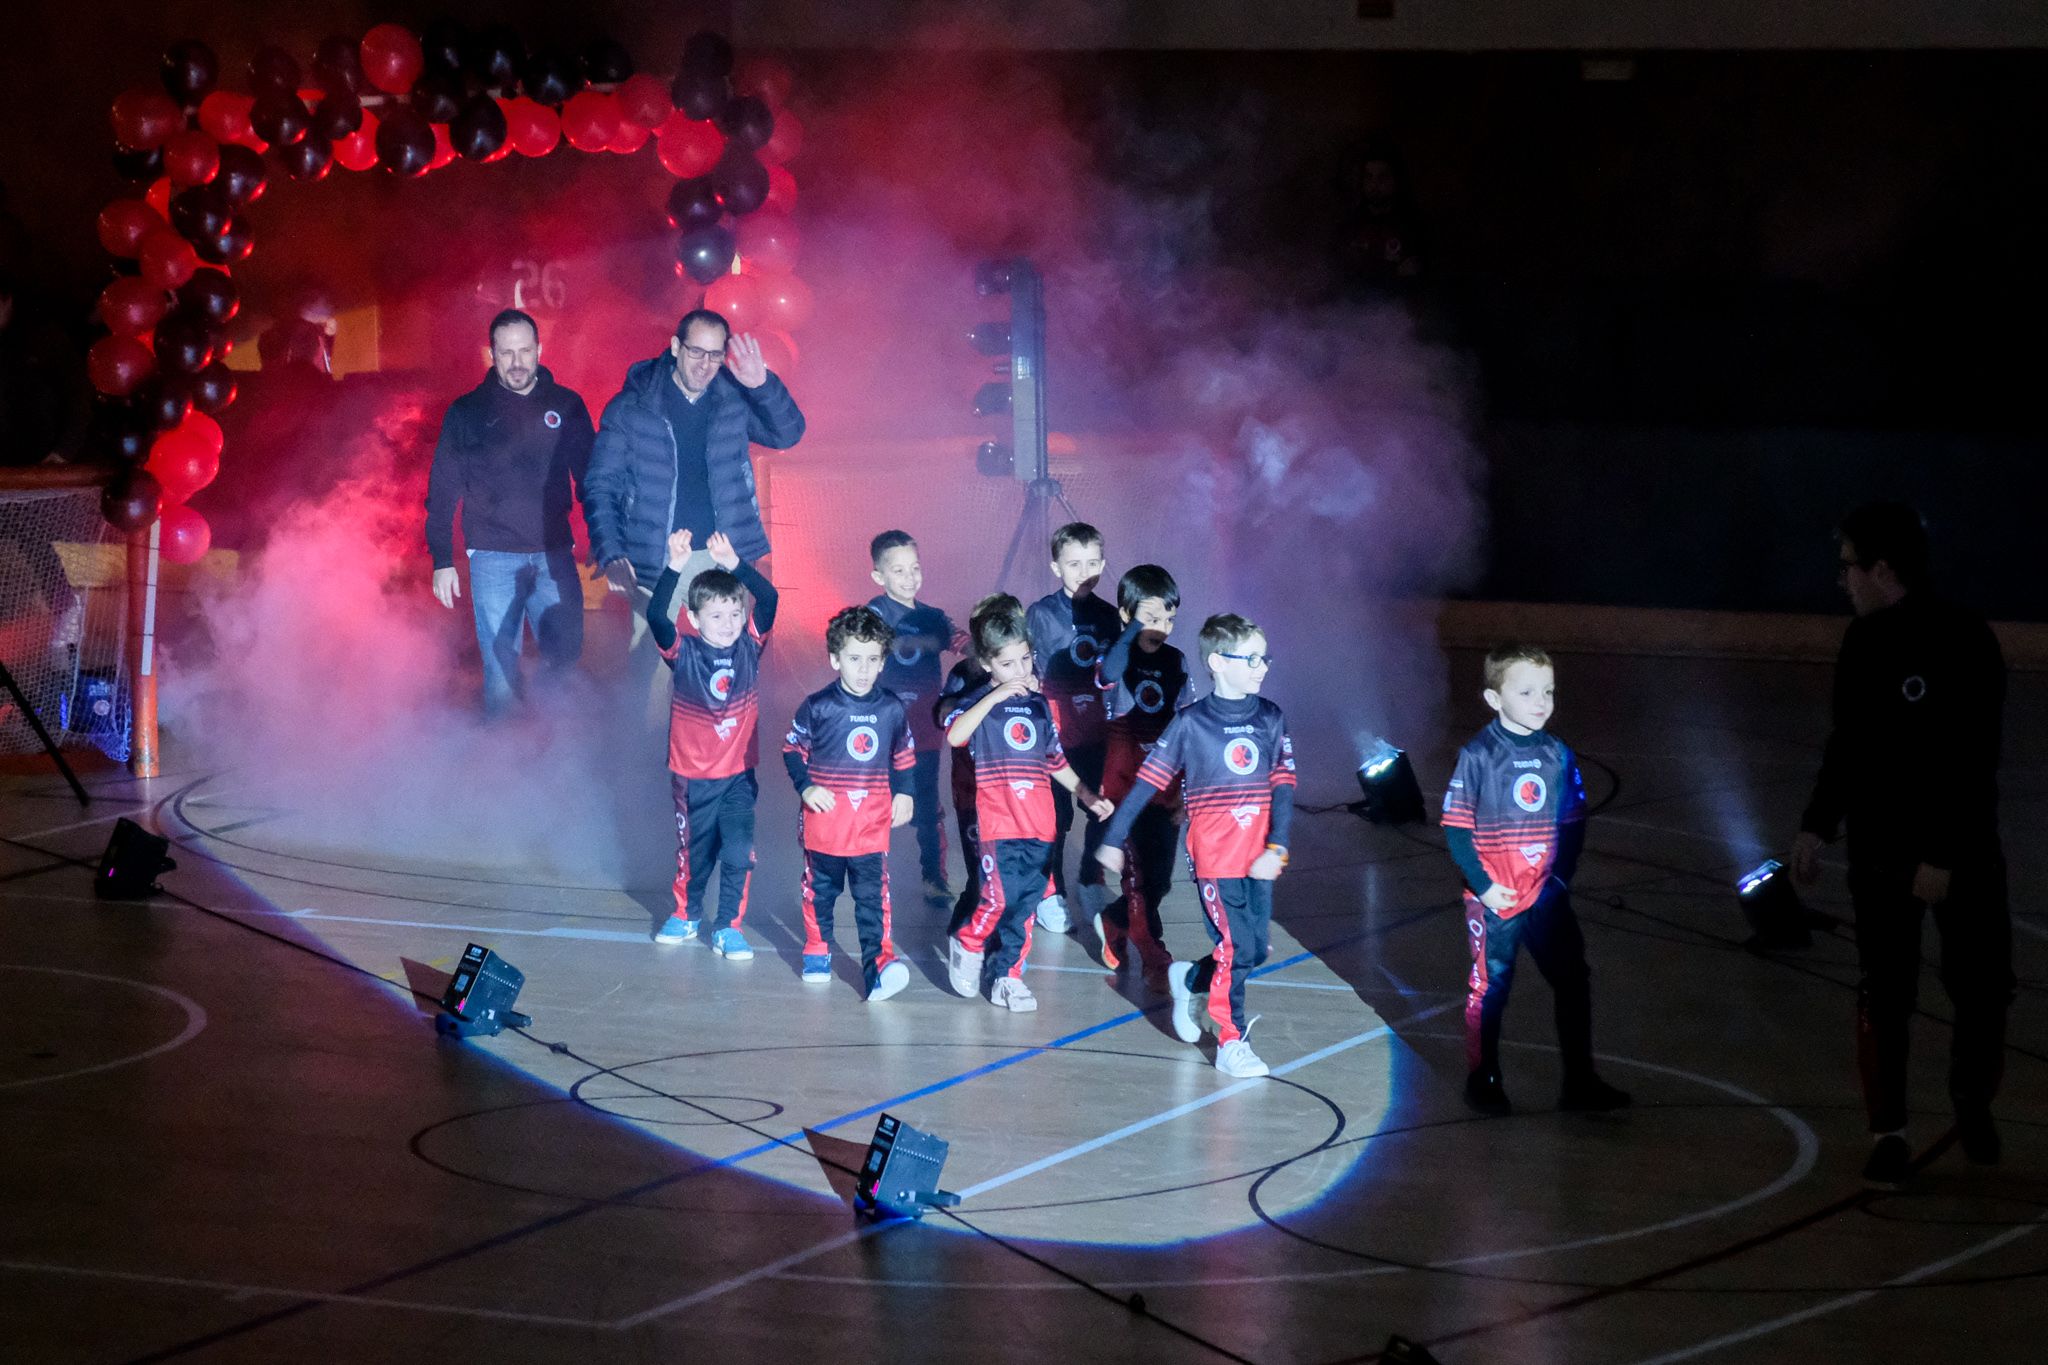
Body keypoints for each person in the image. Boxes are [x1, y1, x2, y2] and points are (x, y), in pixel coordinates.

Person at [1792, 501, 2011, 1188]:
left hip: (1960, 853)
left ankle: (1971, 1098)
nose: (1842, 581)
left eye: (1849, 567)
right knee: (1883, 991)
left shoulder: (1965, 639)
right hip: (1881, 853)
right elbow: (1848, 744)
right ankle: (1888, 1132)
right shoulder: (1862, 643)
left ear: (1883, 570)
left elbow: (1973, 758)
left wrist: (1943, 855)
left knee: (1982, 987)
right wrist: (1816, 824)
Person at [1097, 613, 1294, 1079]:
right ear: (1217, 663)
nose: (1262, 666)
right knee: (1235, 946)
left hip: (1259, 858)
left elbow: (1284, 786)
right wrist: (1113, 839)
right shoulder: (1191, 723)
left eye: (1264, 657)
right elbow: (1147, 784)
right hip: (1216, 859)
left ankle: (1189, 978)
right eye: (1251, 658)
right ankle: (1231, 1040)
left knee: (1255, 950)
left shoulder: (1270, 717)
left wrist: (1278, 847)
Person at [1441, 644, 1629, 1116]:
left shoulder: (1557, 753)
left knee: (1573, 979)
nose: (1541, 702)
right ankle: (1483, 1080)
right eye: (1526, 693)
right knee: (1492, 988)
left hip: (1545, 896)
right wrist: (1484, 887)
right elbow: (1457, 829)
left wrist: (1559, 880)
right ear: (1494, 699)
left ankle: (1580, 1082)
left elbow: (1573, 822)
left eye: (1548, 691)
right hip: (1497, 898)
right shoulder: (1479, 756)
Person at [585, 309, 804, 636]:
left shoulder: (734, 400)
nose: (705, 364)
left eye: (715, 355)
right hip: (657, 560)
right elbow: (601, 485)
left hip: (725, 557)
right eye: (697, 351)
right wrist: (611, 551)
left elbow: (787, 434)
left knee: (729, 659)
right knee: (651, 662)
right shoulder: (632, 407)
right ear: (676, 347)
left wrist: (762, 386)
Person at [944, 594, 1111, 1012]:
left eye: (1025, 660)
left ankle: (1008, 976)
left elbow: (1054, 759)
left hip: (1039, 825)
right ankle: (969, 941)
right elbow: (955, 735)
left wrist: (1085, 792)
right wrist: (993, 696)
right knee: (998, 898)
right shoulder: (978, 705)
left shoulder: (1038, 705)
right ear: (987, 664)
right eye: (1007, 664)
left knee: (1024, 906)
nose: (1019, 672)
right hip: (998, 825)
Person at [424, 309, 595, 715]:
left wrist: (605, 540)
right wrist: (442, 559)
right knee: (501, 673)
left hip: (554, 554)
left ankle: (559, 745)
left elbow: (592, 480)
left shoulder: (567, 405)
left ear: (539, 350)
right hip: (492, 557)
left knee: (564, 660)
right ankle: (502, 751)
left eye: (525, 351)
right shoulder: (466, 411)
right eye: (506, 353)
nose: (517, 363)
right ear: (491, 354)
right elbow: (443, 489)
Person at [646, 529, 777, 961]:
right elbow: (656, 617)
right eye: (716, 616)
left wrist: (735, 564)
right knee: (696, 855)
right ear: (694, 618)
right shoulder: (681, 652)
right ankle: (687, 915)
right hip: (693, 780)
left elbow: (769, 598)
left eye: (735, 613)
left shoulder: (750, 646)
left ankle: (728, 927)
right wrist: (675, 566)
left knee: (739, 852)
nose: (728, 624)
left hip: (738, 777)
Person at [783, 605, 917, 1000]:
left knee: (872, 899)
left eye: (873, 660)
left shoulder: (891, 708)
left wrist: (905, 792)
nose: (863, 669)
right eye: (854, 659)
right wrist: (806, 787)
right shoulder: (818, 706)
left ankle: (879, 965)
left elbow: (904, 755)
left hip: (870, 826)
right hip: (825, 824)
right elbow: (792, 750)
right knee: (820, 892)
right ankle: (817, 948)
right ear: (834, 659)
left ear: (883, 662)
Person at [1093, 564, 1191, 990]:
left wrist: (1185, 791)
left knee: (1160, 881)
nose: (1161, 628)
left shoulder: (1176, 661)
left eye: (1169, 618)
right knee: (1137, 879)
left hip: (1165, 789)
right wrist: (1133, 629)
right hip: (1124, 789)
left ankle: (1114, 920)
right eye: (1152, 617)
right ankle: (1155, 956)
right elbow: (1108, 674)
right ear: (1126, 615)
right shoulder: (1117, 655)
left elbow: (1187, 726)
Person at [1025, 522, 1119, 933]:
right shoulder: (1041, 614)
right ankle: (1050, 892)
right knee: (1055, 817)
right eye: (1074, 564)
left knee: (1102, 807)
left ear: (1103, 564)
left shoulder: (1109, 615)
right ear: (1056, 567)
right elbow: (1025, 667)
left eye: (1092, 563)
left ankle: (1090, 880)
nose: (1084, 572)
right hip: (1055, 734)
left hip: (1096, 731)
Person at [866, 530, 964, 904]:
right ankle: (870, 876)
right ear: (879, 576)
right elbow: (861, 645)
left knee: (927, 805)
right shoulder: (875, 613)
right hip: (884, 730)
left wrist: (990, 649)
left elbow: (962, 641)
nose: (909, 577)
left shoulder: (932, 617)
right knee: (878, 803)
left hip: (923, 728)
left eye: (915, 568)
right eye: (899, 570)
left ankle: (934, 878)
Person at [934, 651, 991, 935]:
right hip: (970, 787)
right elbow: (943, 717)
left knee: (1005, 873)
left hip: (1011, 792)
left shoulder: (1024, 676)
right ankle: (965, 932)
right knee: (979, 868)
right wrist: (950, 704)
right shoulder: (963, 673)